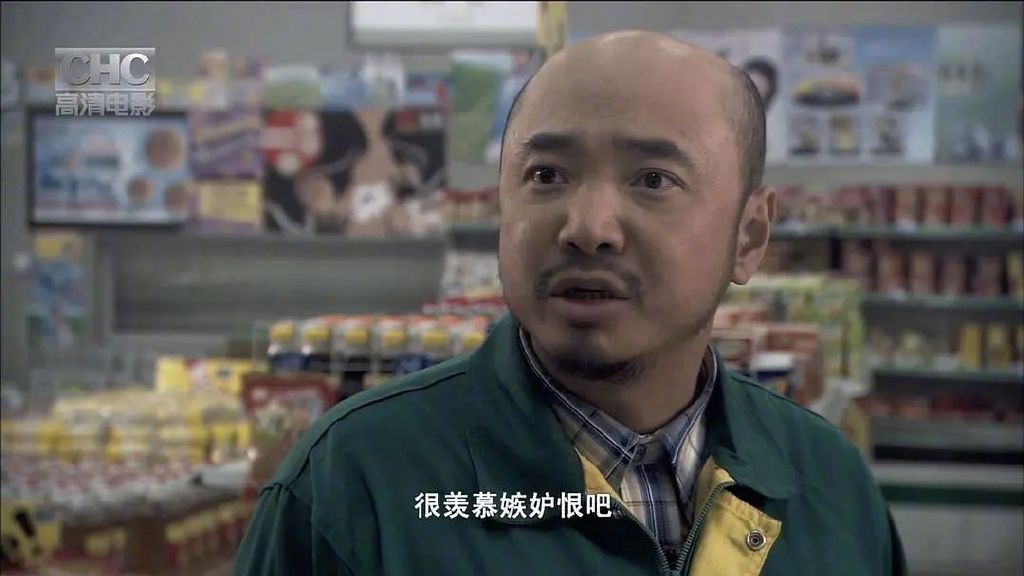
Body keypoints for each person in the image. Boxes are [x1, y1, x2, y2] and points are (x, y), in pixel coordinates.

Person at [233, 31, 906, 576]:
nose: (587, 227)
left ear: (749, 237)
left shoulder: (829, 485)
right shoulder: (352, 484)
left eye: (654, 179)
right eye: (546, 175)